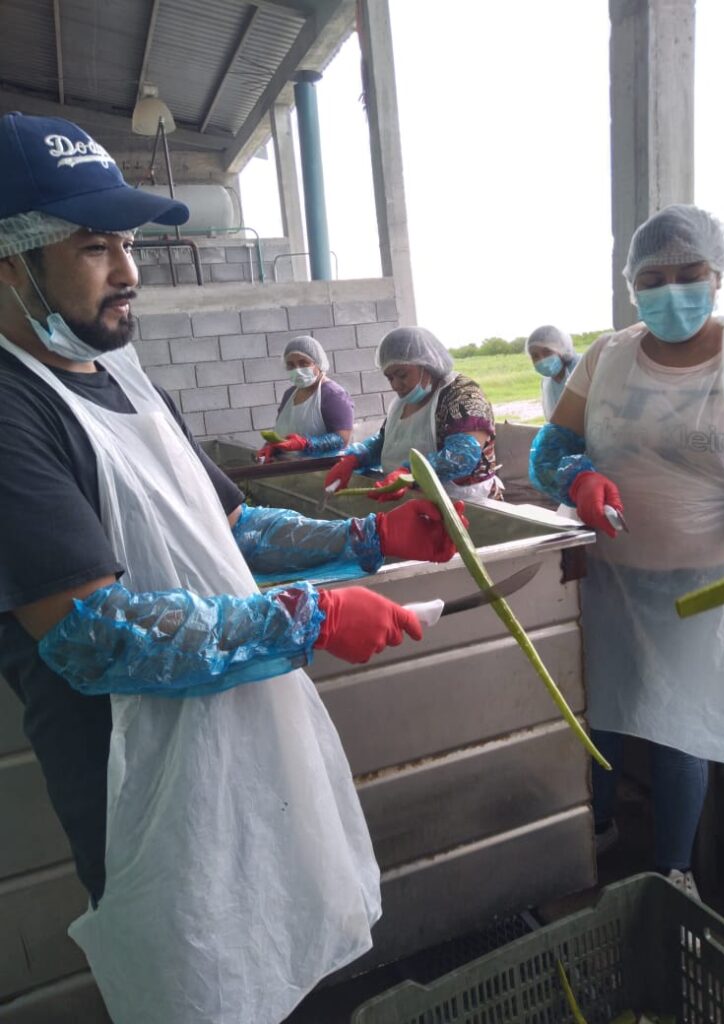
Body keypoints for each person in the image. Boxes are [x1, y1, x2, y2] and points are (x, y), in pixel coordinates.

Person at [0, 112, 464, 1024]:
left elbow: (235, 525)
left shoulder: (124, 377)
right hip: (139, 789)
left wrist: (371, 541)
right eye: (95, 247)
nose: (129, 272)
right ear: (9, 262)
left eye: (127, 243)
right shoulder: (13, 411)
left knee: (270, 955)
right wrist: (313, 618)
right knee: (196, 982)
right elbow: (99, 638)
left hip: (244, 740)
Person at [529, 204, 724, 899]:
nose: (672, 291)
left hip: (706, 587)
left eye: (689, 274)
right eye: (653, 278)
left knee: (679, 727)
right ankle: (596, 834)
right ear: (632, 283)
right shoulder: (606, 356)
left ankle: (674, 872)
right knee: (602, 708)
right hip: (609, 580)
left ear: (717, 275)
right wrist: (576, 476)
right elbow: (550, 447)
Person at [324, 325, 503, 501]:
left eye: (402, 375)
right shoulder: (403, 401)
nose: (395, 385)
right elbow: (385, 441)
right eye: (390, 378)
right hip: (415, 498)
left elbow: (461, 457)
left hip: (465, 501)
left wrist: (410, 472)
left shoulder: (463, 394)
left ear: (427, 364)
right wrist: (355, 458)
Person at [255, 334, 354, 461]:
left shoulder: (333, 395)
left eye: (303, 363)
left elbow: (342, 440)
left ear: (318, 363)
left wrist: (305, 444)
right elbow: (281, 432)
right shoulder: (289, 395)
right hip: (286, 469)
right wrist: (271, 446)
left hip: (319, 471)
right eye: (291, 365)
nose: (297, 370)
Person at [525, 324, 582, 420]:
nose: (542, 360)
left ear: (562, 348)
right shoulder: (546, 382)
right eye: (535, 356)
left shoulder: (582, 368)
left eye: (547, 352)